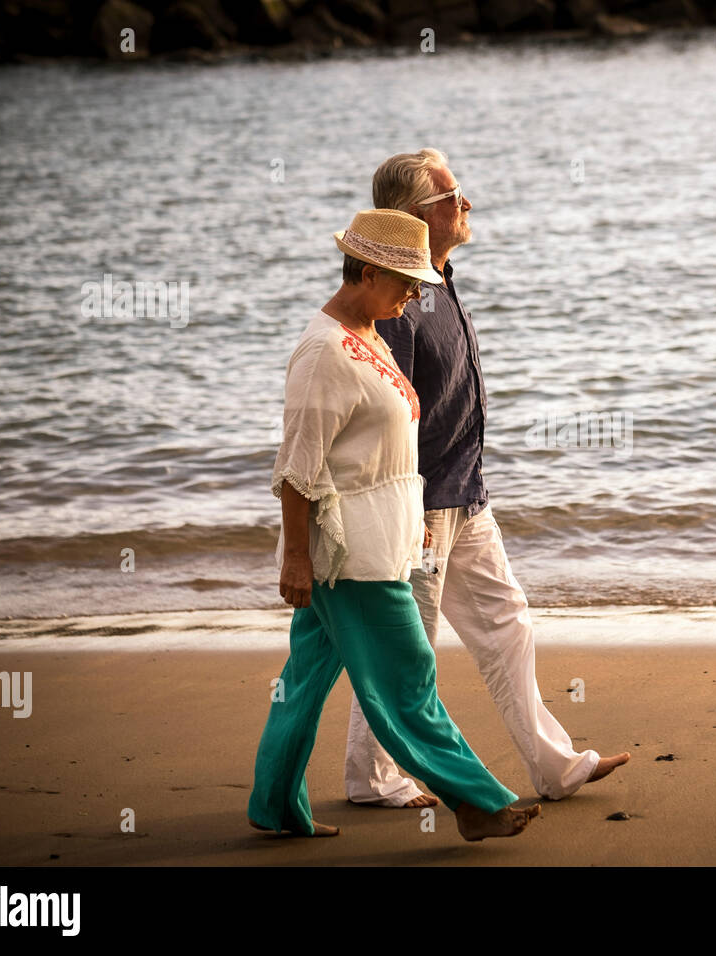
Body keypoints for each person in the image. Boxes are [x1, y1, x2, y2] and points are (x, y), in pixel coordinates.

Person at [343, 149, 630, 808]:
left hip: (466, 496)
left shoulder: (439, 278)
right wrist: (407, 511)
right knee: (405, 651)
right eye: (452, 195)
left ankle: (558, 769)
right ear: (417, 215)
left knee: (509, 626)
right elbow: (392, 412)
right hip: (419, 504)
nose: (465, 203)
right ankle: (373, 779)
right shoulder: (400, 303)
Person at [247, 208, 538, 842]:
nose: (415, 294)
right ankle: (478, 801)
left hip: (382, 538)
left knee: (302, 682)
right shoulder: (323, 351)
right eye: (406, 280)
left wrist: (416, 524)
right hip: (350, 555)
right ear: (368, 270)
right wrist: (296, 558)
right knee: (409, 679)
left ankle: (273, 807)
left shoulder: (371, 330)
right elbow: (296, 469)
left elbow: (384, 451)